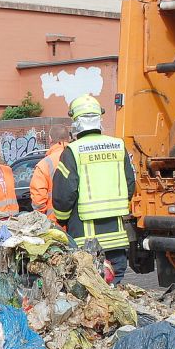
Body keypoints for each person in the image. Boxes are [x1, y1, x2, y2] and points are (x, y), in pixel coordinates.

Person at [52, 94, 135, 283]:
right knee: (114, 288)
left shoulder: (73, 151)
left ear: (75, 122)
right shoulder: (118, 146)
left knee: (90, 293)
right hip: (117, 238)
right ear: (100, 119)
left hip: (85, 240)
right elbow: (130, 184)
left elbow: (64, 194)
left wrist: (63, 219)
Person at [30, 130, 68, 223]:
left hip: (55, 221)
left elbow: (38, 199)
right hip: (79, 222)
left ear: (50, 139)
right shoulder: (78, 156)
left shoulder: (44, 164)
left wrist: (41, 218)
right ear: (68, 138)